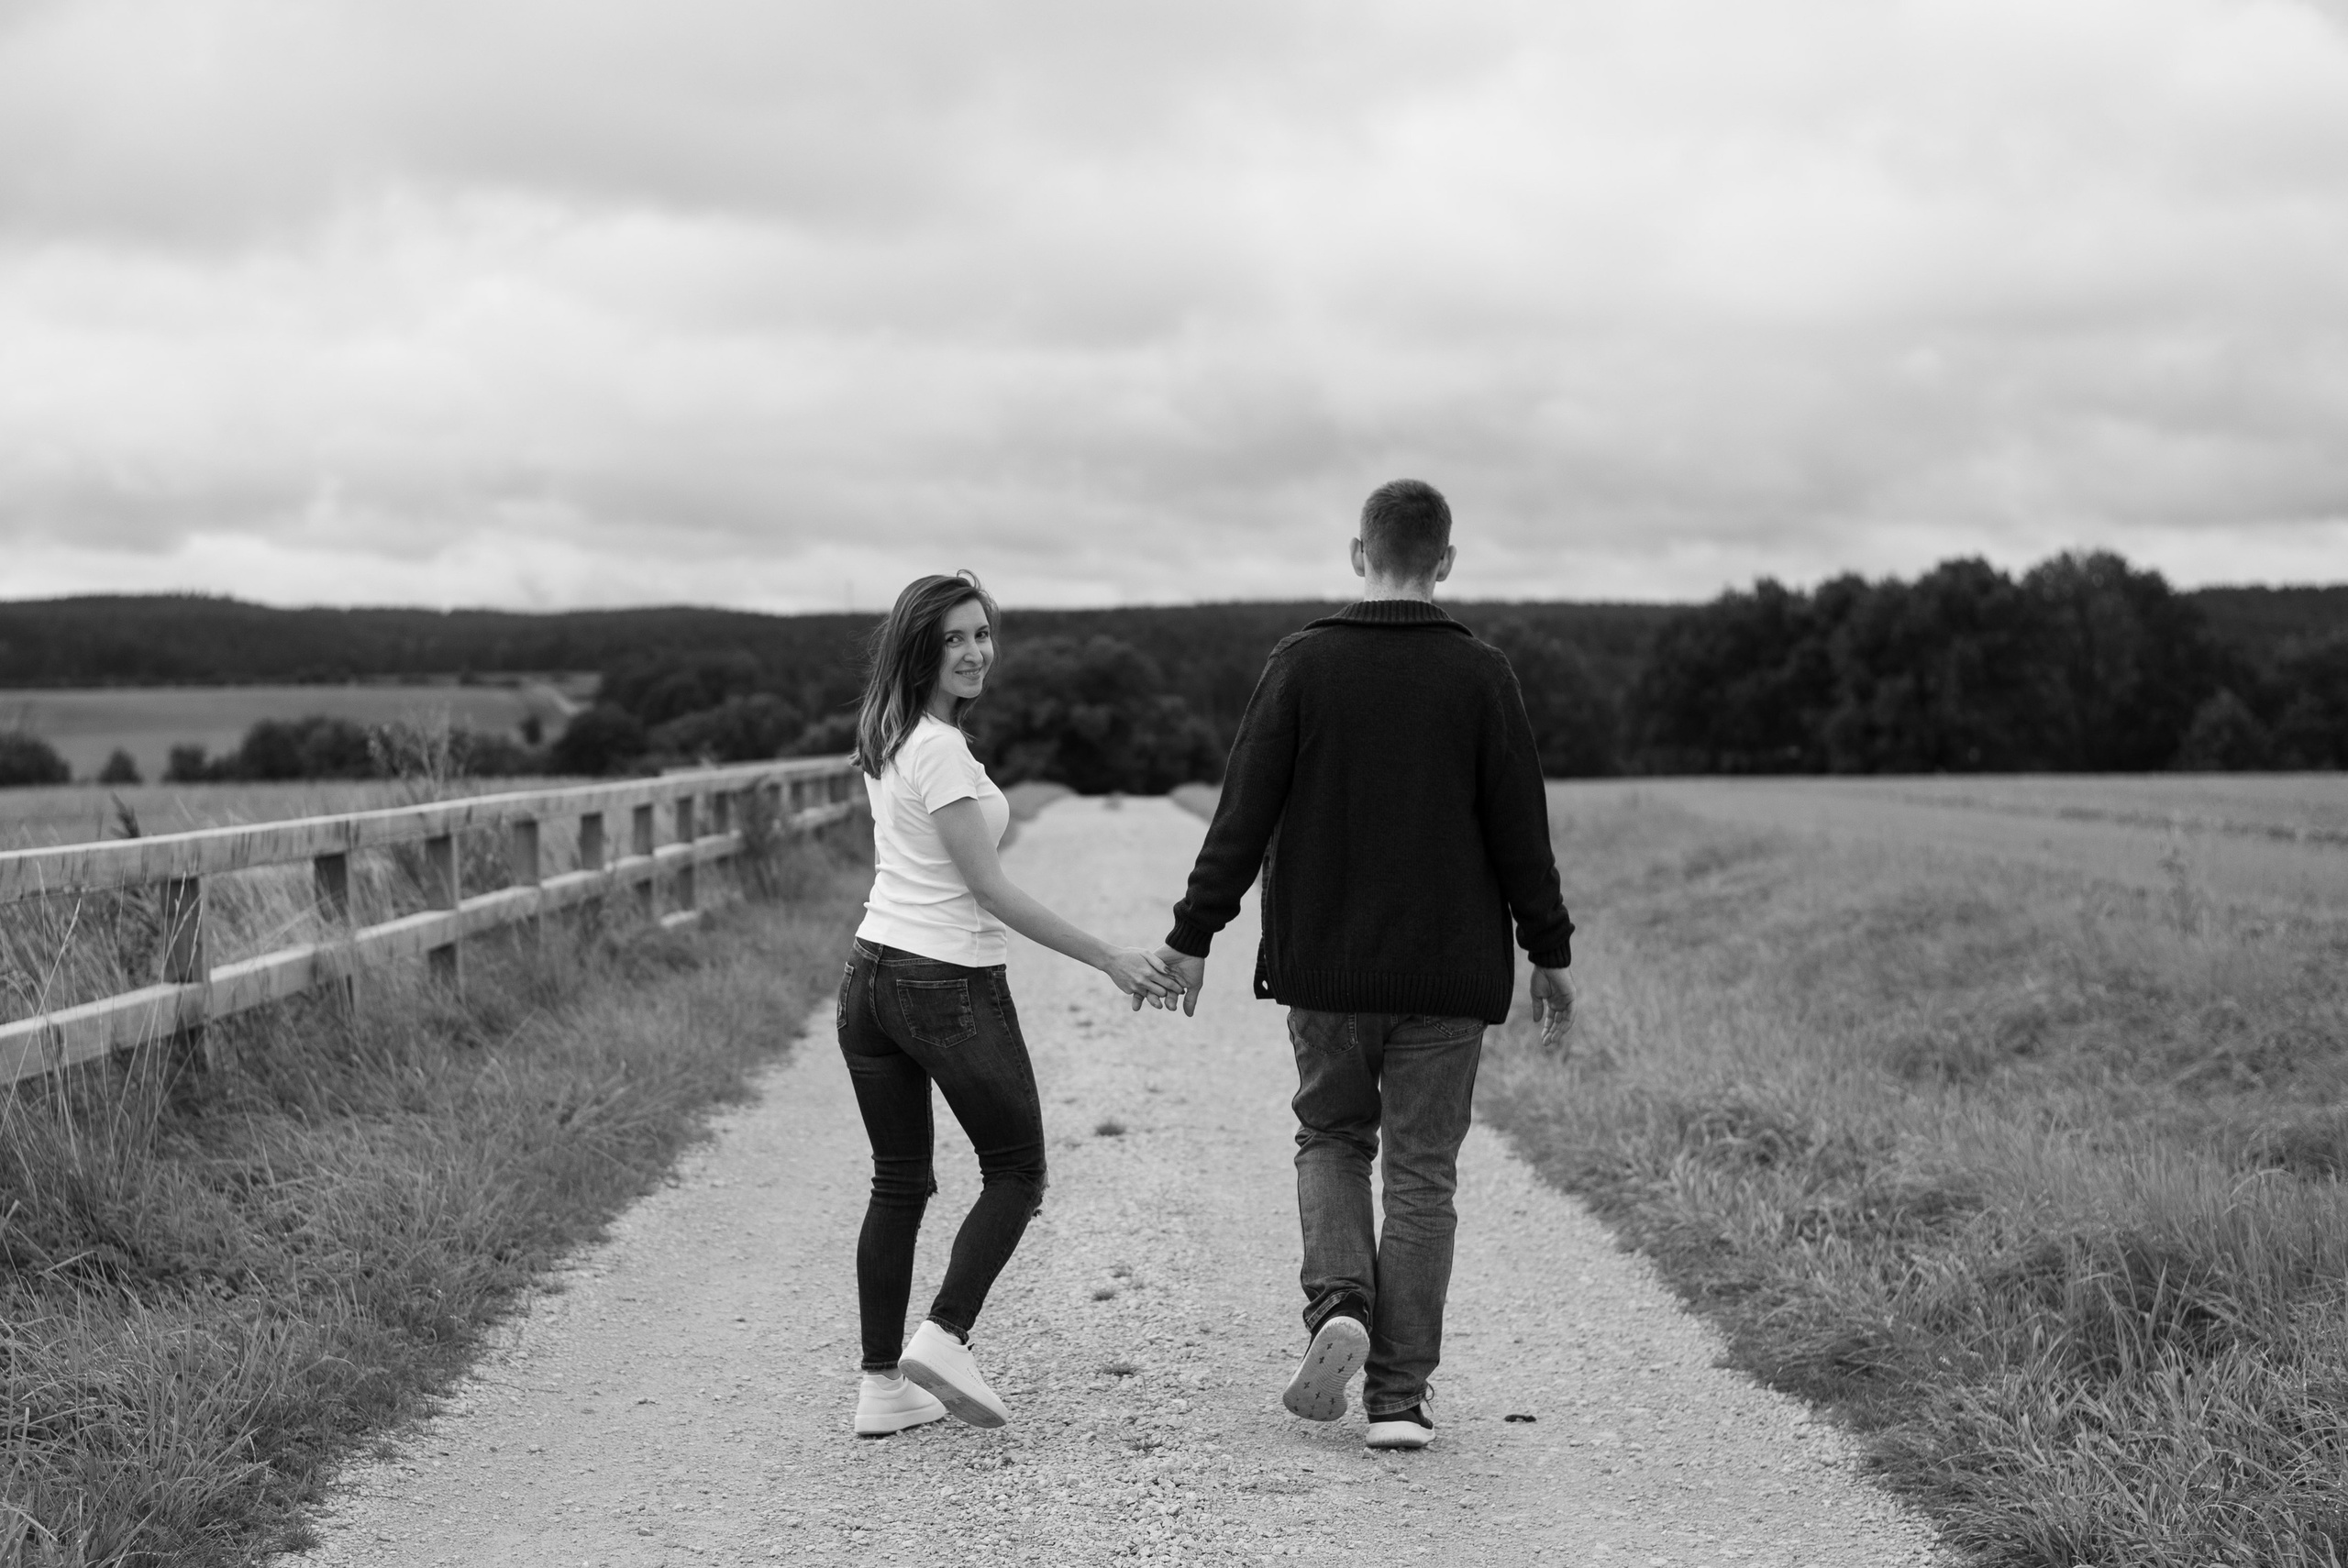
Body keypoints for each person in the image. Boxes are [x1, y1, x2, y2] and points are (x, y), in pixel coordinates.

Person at [1154, 480, 1576, 1452]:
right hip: (1446, 978)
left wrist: (1191, 936)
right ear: (1446, 563)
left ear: (1358, 555)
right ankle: (1398, 1397)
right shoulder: (1483, 675)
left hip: (1329, 972)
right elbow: (1523, 835)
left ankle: (1339, 1302)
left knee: (1333, 1139)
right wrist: (1547, 953)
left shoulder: (1301, 665)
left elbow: (1242, 817)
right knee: (1424, 1176)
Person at [840, 570, 1183, 1439]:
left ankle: (883, 1386)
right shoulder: (939, 752)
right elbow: (988, 890)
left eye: (983, 634)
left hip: (871, 980)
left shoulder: (889, 732)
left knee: (900, 1181)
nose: (975, 651)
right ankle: (944, 1337)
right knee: (1018, 1170)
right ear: (919, 645)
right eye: (954, 637)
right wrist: (1109, 955)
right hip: (941, 982)